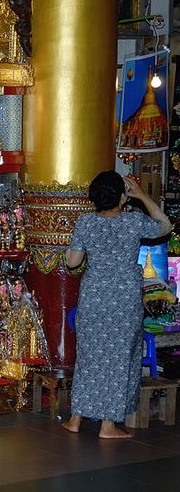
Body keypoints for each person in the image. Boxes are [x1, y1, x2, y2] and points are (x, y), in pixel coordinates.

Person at [62, 172, 172, 438]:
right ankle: (108, 426)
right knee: (119, 359)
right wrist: (142, 195)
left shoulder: (85, 222)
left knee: (88, 356)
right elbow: (165, 225)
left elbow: (73, 262)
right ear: (123, 197)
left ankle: (75, 419)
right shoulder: (134, 221)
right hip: (123, 300)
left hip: (94, 297)